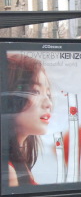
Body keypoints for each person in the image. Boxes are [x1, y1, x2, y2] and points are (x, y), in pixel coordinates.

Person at [5, 54, 53, 187]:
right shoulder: (8, 172)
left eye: (48, 94)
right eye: (35, 92)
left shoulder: (18, 157)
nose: (48, 103)